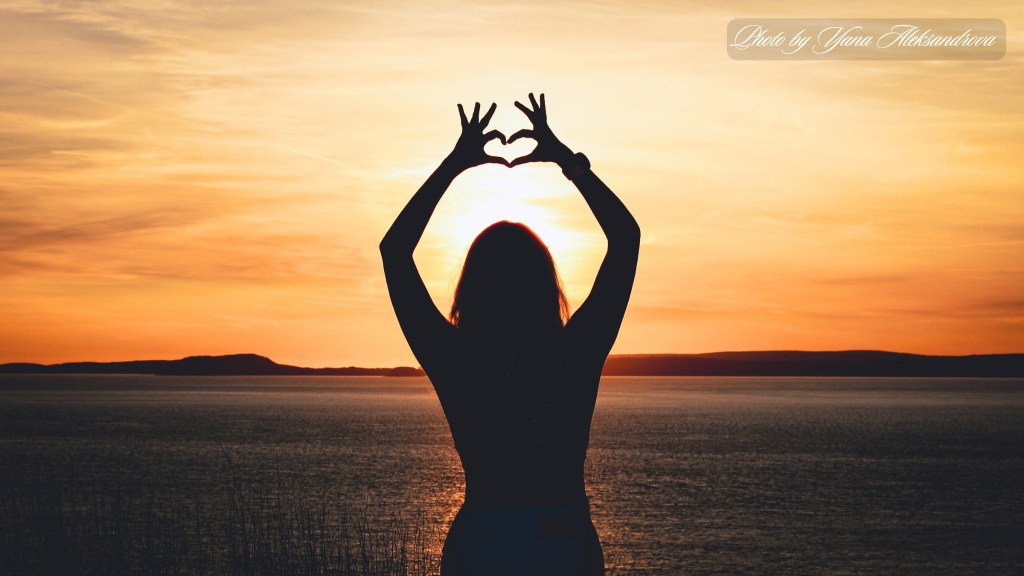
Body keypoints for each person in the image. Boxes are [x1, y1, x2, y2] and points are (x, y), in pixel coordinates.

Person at [380, 93, 640, 575]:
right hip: (563, 537)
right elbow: (626, 238)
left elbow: (394, 251)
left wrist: (453, 165)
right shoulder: (574, 352)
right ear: (546, 286)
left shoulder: (456, 360)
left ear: (471, 289)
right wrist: (567, 161)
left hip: (482, 539)